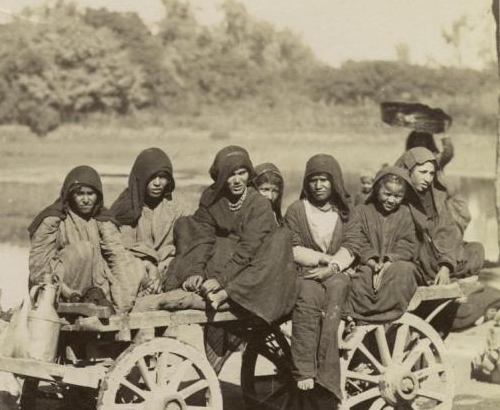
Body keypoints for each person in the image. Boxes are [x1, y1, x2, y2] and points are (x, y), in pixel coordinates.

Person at [164, 145, 297, 355]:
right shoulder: (211, 198)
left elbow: (249, 248)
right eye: (230, 175)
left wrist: (221, 280)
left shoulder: (259, 204)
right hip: (220, 255)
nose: (236, 180)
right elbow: (202, 237)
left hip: (248, 265)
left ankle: (226, 294)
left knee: (278, 240)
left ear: (249, 174)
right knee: (186, 224)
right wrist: (195, 270)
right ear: (220, 177)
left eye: (242, 173)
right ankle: (194, 283)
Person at [283, 154, 353, 396]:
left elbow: (353, 244)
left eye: (324, 180)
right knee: (307, 297)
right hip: (308, 270)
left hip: (336, 271)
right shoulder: (296, 210)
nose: (319, 186)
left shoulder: (344, 212)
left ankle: (328, 372)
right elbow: (291, 247)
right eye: (313, 180)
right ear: (306, 183)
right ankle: (305, 369)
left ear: (334, 182)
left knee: (338, 289)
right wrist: (323, 260)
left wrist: (333, 266)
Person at [28, 165, 142, 313]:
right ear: (70, 195)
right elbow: (39, 268)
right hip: (60, 290)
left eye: (91, 194)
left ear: (98, 196)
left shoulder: (103, 221)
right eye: (80, 194)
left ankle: (101, 302)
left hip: (95, 286)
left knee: (135, 264)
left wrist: (121, 306)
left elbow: (117, 258)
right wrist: (66, 292)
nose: (86, 200)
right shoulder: (53, 220)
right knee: (84, 250)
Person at [394, 146, 484, 285]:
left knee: (476, 249)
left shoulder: (435, 198)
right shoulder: (396, 198)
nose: (428, 179)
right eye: (423, 172)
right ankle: (432, 279)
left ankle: (443, 276)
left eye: (431, 173)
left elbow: (446, 232)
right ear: (408, 170)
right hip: (415, 256)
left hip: (438, 256)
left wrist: (445, 266)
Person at [342, 166, 421, 324]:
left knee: (404, 272)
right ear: (377, 190)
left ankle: (388, 315)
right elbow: (357, 239)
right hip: (367, 263)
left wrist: (389, 261)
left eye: (398, 196)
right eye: (387, 194)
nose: (392, 200)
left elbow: (408, 242)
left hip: (394, 264)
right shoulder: (361, 211)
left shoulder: (405, 214)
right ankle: (359, 317)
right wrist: (371, 261)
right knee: (360, 279)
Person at [109, 147, 184, 296]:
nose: (157, 183)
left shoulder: (177, 207)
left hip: (169, 269)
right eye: (151, 177)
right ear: (141, 177)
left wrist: (162, 269)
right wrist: (148, 266)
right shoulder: (126, 206)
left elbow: (184, 244)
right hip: (137, 270)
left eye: (162, 177)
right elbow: (124, 247)